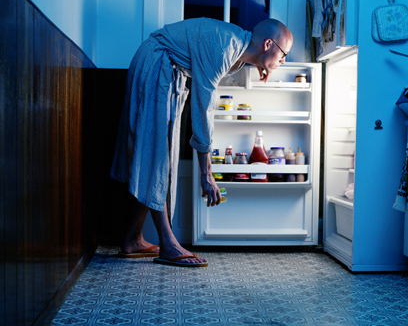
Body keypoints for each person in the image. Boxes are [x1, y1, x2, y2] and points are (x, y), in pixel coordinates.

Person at [111, 17, 293, 267]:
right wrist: (206, 174)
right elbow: (204, 108)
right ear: (268, 44)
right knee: (157, 153)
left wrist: (261, 64)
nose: (284, 61)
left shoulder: (237, 52)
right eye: (284, 54)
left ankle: (133, 239)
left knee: (158, 152)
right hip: (157, 65)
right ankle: (168, 243)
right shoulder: (225, 47)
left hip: (165, 68)